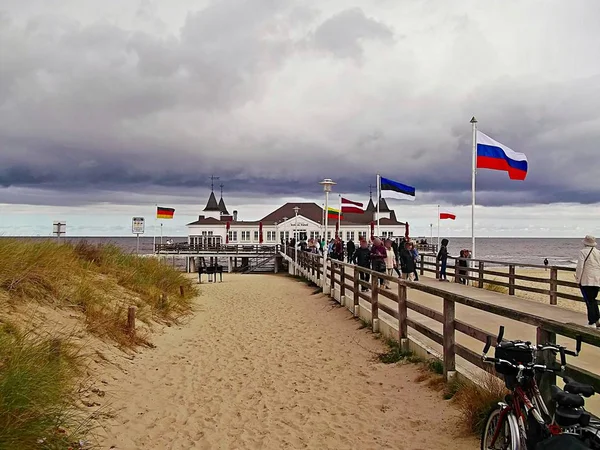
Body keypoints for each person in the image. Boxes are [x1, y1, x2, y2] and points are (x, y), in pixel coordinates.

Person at [575, 235, 600, 329]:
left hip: (586, 280)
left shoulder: (582, 252)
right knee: (593, 300)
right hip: (597, 280)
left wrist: (578, 279)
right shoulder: (598, 252)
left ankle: (592, 322)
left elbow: (580, 267)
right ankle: (597, 320)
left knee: (589, 301)